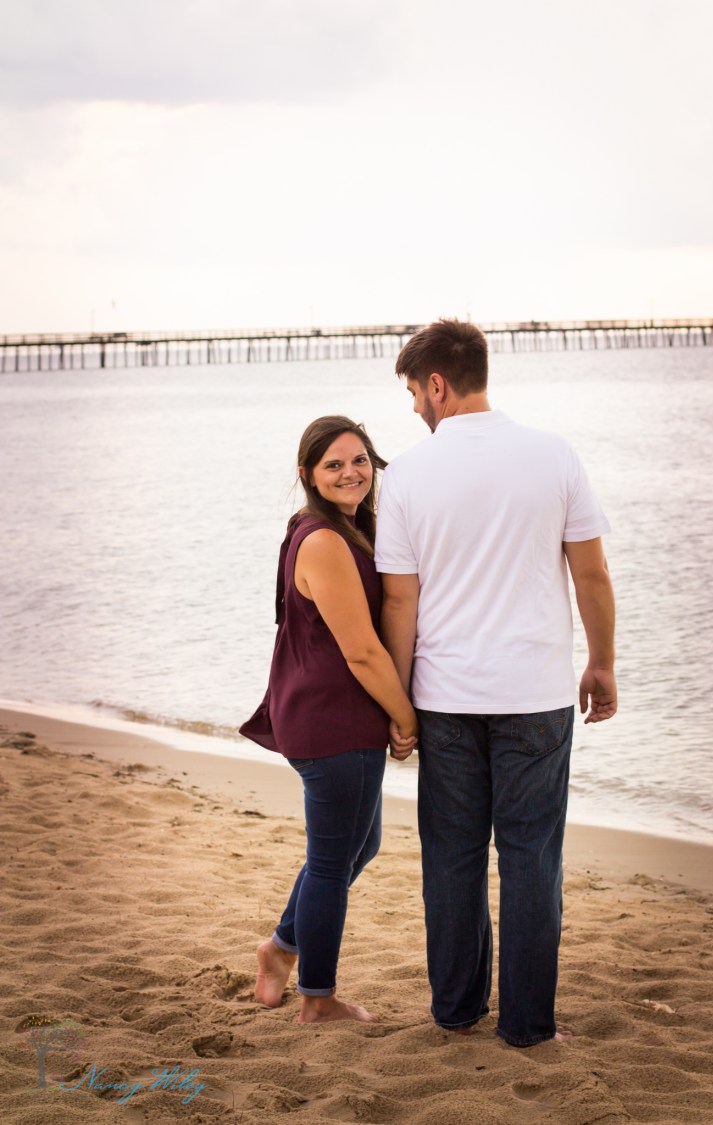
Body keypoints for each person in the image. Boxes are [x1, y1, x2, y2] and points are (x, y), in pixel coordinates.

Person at [374, 319, 616, 1047]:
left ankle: (454, 1009)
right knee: (530, 856)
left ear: (438, 384)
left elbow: (399, 601)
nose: (416, 406)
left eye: (415, 392)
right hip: (536, 694)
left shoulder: (410, 474)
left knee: (452, 855)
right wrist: (601, 662)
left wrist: (399, 701)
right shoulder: (554, 454)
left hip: (445, 698)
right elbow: (592, 574)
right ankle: (528, 1026)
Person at [240, 415, 418, 1024]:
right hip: (333, 719)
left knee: (354, 847)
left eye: (360, 460)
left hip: (322, 713)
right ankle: (317, 998)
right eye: (334, 464)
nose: (351, 473)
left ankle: (281, 947)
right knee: (332, 859)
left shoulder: (336, 528)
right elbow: (362, 650)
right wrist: (406, 717)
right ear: (308, 475)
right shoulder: (323, 540)